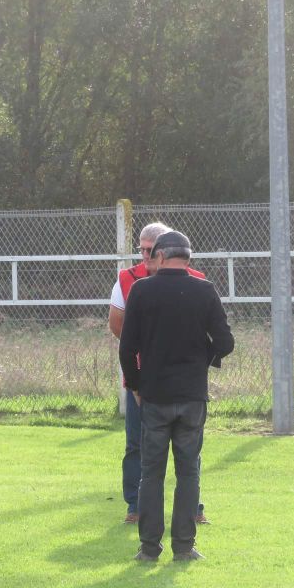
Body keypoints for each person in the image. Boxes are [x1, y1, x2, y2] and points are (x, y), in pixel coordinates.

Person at [119, 231, 234, 562]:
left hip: (154, 396)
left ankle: (149, 549)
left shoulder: (142, 290)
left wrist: (136, 385)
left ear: (158, 257)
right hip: (192, 396)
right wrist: (204, 360)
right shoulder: (205, 290)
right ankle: (184, 547)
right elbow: (226, 342)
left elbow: (127, 348)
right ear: (188, 259)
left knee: (151, 473)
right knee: (188, 472)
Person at [108, 223, 210, 525]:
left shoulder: (197, 282)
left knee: (188, 452)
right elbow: (117, 326)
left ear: (164, 251)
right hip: (142, 379)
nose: (144, 255)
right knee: (136, 444)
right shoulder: (127, 281)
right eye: (140, 248)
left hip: (184, 383)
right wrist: (142, 358)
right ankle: (135, 506)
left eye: (150, 249)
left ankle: (193, 508)